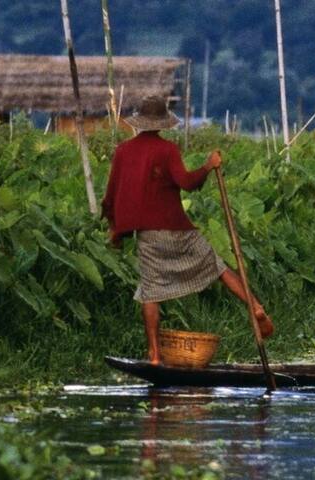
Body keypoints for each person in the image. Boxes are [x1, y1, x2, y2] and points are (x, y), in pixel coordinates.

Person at [102, 95, 273, 364]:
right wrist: (208, 166)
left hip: (147, 234)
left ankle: (155, 355)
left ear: (140, 122)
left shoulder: (123, 151)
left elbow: (110, 195)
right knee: (218, 268)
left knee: (151, 291)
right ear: (161, 124)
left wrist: (115, 229)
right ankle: (255, 306)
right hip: (178, 230)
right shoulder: (167, 150)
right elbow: (187, 182)